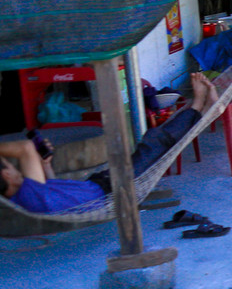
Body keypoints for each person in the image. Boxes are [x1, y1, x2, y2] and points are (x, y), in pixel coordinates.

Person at [0, 73, 219, 214]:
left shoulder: (32, 194)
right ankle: (200, 106)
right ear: (6, 176)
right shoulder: (28, 193)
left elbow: (55, 196)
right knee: (154, 143)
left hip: (105, 182)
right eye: (11, 166)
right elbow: (26, 148)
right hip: (113, 190)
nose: (15, 168)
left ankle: (202, 110)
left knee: (154, 144)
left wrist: (46, 165)